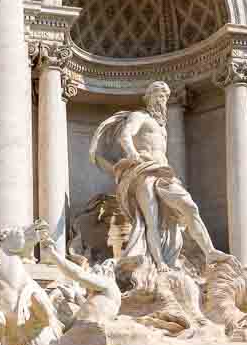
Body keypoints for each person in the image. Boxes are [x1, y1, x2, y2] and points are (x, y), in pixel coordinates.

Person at [90, 81, 225, 272]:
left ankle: (210, 251)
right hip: (143, 172)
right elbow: (125, 135)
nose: (162, 100)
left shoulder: (162, 127)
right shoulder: (139, 116)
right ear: (149, 98)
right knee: (150, 220)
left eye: (165, 96)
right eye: (158, 95)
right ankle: (159, 263)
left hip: (163, 173)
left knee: (189, 207)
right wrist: (132, 153)